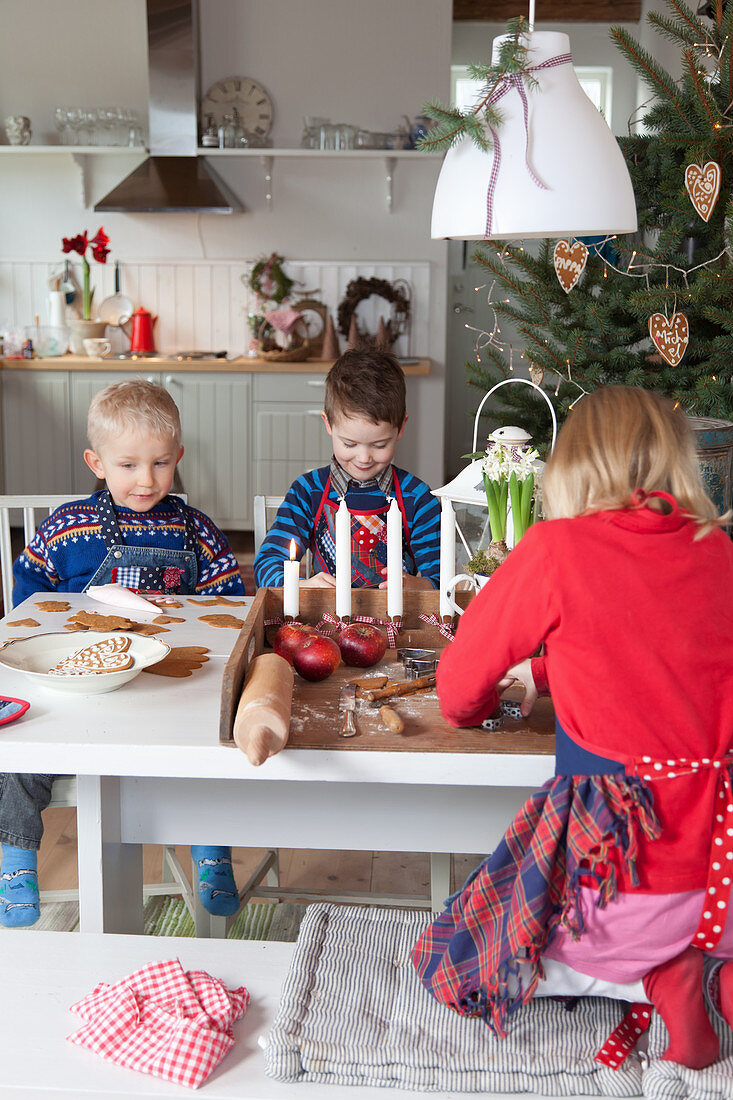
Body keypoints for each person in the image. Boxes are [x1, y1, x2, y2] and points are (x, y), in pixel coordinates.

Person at [411, 386, 733, 1069]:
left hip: (629, 880)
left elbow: (459, 690)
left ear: (570, 467)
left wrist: (483, 701)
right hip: (720, 873)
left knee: (468, 952)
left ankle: (658, 974)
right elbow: (661, 647)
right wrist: (547, 670)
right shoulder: (717, 553)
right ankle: (715, 968)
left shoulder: (557, 548)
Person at [1, 380, 246, 928]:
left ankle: (211, 848)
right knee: (20, 743)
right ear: (97, 462)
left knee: (212, 736)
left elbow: (230, 603)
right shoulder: (66, 526)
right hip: (75, 685)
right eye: (129, 465)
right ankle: (16, 858)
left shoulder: (197, 529)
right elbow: (29, 593)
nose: (146, 479)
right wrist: (46, 629)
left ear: (178, 458)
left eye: (160, 464)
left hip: (162, 684)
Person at [254, 348, 440, 592]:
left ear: (401, 427)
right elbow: (266, 566)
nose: (364, 458)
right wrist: (303, 586)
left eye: (380, 444)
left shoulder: (417, 498)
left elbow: (440, 579)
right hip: (326, 624)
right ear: (328, 424)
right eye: (349, 444)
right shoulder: (308, 491)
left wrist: (420, 586)